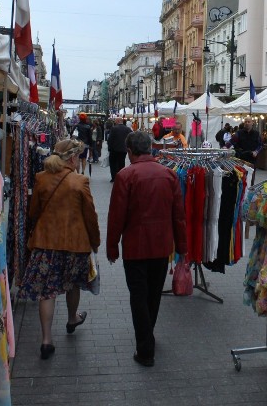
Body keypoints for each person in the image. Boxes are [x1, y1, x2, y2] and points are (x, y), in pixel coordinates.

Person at [106, 131, 187, 367]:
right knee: (153, 294)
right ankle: (147, 333)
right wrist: (182, 247)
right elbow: (179, 216)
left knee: (138, 295)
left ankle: (145, 348)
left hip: (135, 246)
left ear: (130, 151)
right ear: (150, 148)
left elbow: (116, 216)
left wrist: (112, 247)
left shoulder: (126, 176)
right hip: (162, 245)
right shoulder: (169, 175)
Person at [18, 139, 101, 359]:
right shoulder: (80, 181)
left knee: (47, 291)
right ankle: (72, 318)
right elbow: (90, 217)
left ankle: (46, 340)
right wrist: (95, 241)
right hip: (75, 244)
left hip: (46, 244)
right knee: (72, 283)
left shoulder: (41, 179)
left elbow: (33, 211)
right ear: (73, 158)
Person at [107, 117, 132, 182]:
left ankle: (114, 177)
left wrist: (109, 148)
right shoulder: (127, 129)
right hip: (123, 149)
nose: (114, 122)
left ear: (118, 121)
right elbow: (131, 137)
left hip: (114, 149)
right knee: (121, 163)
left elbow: (110, 139)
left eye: (115, 121)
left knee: (113, 164)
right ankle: (121, 177)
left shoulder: (114, 128)